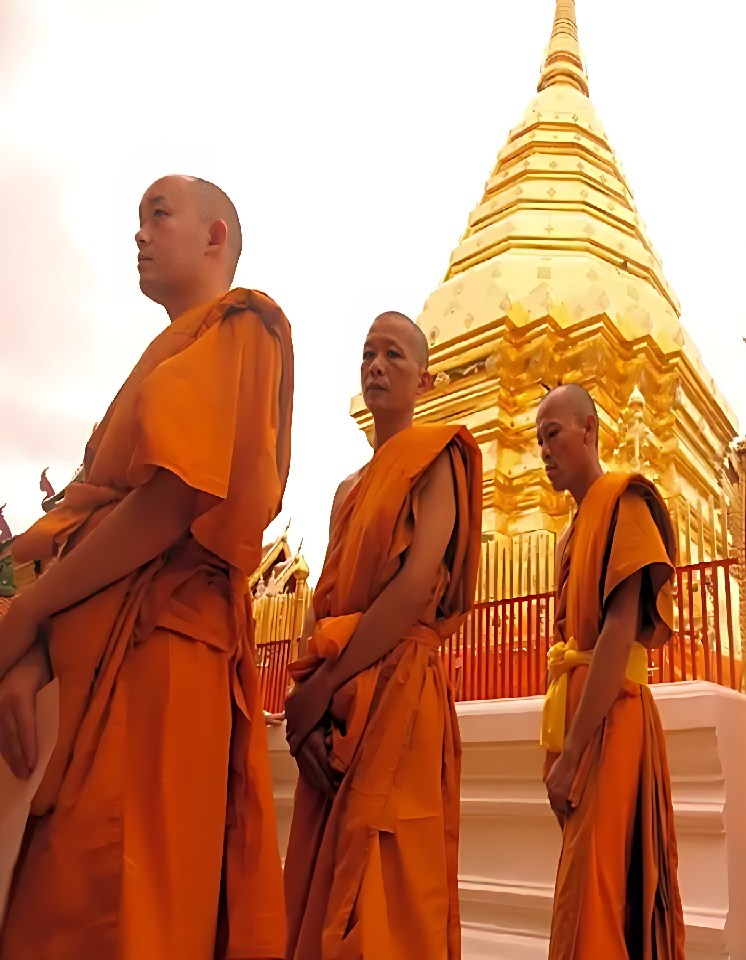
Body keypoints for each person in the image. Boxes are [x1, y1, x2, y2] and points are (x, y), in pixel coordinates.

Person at [0, 175, 292, 959]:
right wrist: (31, 655)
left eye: (157, 214)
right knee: (57, 899)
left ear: (214, 237)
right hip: (88, 660)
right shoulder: (162, 359)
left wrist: (27, 613)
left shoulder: (244, 327)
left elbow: (172, 500)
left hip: (166, 653)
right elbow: (89, 527)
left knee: (135, 913)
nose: (140, 233)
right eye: (137, 218)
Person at [282, 311, 482, 959]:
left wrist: (326, 685)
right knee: (325, 884)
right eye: (368, 354)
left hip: (401, 699)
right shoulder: (347, 492)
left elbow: (419, 585)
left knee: (391, 893)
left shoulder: (438, 457)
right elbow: (325, 603)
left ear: (423, 380)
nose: (375, 365)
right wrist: (309, 707)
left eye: (393, 355)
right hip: (339, 711)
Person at [536, 383, 685, 960]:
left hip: (613, 722)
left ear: (588, 431)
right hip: (578, 724)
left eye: (553, 435)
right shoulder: (572, 532)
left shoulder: (625, 502)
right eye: (538, 440)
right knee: (583, 887)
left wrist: (572, 754)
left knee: (596, 887)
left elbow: (620, 628)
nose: (544, 451)